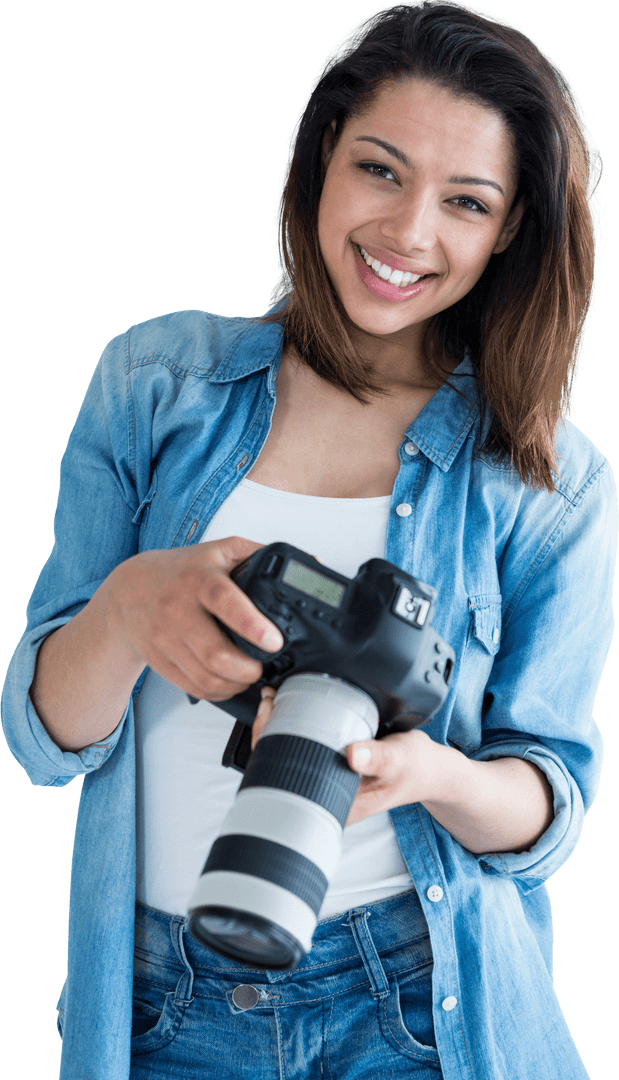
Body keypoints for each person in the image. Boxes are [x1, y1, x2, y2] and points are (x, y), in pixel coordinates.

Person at [2, 1, 616, 1077]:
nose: (408, 233)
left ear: (510, 228)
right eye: (380, 170)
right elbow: (45, 741)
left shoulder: (549, 482)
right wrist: (131, 609)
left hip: (425, 1000)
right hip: (159, 1001)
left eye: (465, 202)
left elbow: (546, 809)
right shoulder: (156, 385)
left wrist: (423, 771)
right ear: (323, 154)